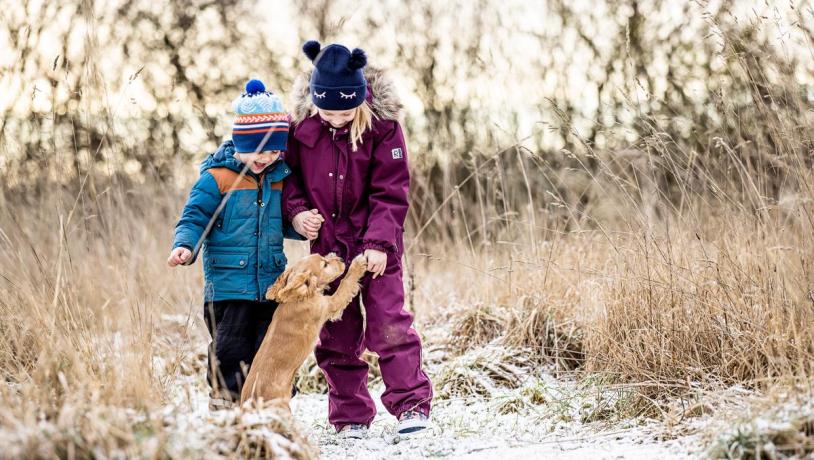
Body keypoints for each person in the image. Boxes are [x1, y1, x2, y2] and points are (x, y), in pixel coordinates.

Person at [284, 40, 433, 438]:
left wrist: (380, 245)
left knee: (390, 325)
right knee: (337, 331)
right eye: (327, 111)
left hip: (376, 250)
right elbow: (289, 182)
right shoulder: (301, 132)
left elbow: (391, 191)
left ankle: (412, 405)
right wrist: (298, 214)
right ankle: (350, 414)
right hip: (329, 251)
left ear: (362, 101)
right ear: (314, 101)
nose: (335, 119)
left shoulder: (383, 131)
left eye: (345, 112)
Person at [167, 79, 317, 409]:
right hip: (227, 287)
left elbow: (283, 222)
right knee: (230, 347)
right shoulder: (217, 178)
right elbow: (195, 217)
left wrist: (300, 225)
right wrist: (186, 246)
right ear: (240, 142)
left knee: (269, 344)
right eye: (260, 149)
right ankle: (225, 400)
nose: (267, 157)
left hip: (269, 284)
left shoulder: (279, 178)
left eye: (275, 149)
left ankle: (268, 400)